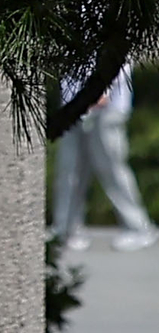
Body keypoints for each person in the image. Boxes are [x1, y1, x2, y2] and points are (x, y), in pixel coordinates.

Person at [53, 59, 150, 242]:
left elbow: (120, 60)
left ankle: (138, 227)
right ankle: (66, 229)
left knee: (111, 169)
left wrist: (102, 91)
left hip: (106, 109)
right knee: (70, 169)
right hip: (73, 107)